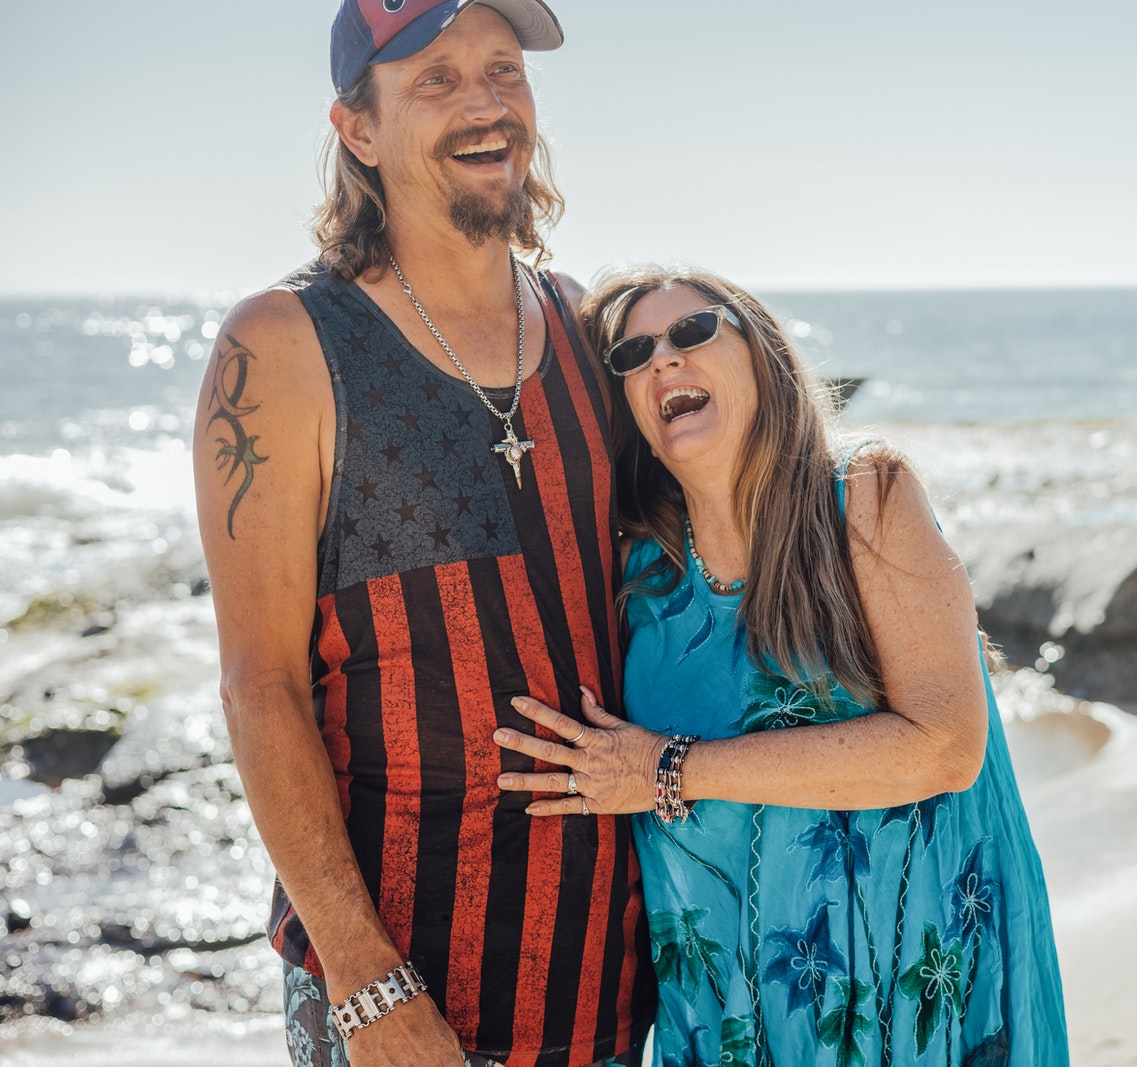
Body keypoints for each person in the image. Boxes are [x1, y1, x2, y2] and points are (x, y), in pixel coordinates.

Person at [192, 3, 653, 1065]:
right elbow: (259, 684)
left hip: (618, 985)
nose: (487, 102)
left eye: (502, 70)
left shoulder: (583, 323)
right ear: (358, 127)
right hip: (406, 1005)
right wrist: (367, 984)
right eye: (435, 79)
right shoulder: (284, 344)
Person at [493, 266, 1070, 1064]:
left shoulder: (864, 496)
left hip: (906, 993)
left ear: (761, 353)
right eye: (632, 354)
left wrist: (670, 769)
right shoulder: (638, 580)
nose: (664, 359)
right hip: (728, 1018)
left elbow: (945, 744)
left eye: (693, 332)